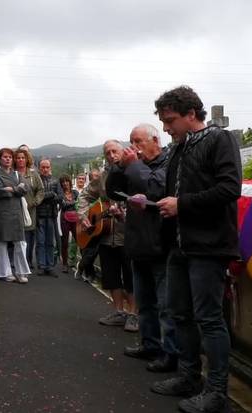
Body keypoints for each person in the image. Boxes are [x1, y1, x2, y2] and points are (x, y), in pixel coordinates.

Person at [149, 87, 241, 413]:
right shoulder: (178, 149)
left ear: (191, 114)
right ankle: (189, 377)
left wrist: (181, 205)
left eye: (170, 120)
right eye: (162, 121)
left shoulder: (220, 139)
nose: (165, 128)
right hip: (179, 245)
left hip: (208, 246)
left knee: (209, 319)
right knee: (180, 314)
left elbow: (230, 188)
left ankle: (217, 393)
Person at [107, 124, 179, 374]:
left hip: (160, 244)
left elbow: (154, 188)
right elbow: (111, 191)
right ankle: (149, 344)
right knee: (145, 302)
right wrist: (119, 166)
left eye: (139, 141)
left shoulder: (167, 162)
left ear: (155, 140)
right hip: (138, 243)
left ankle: (171, 354)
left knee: (166, 305)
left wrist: (133, 166)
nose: (134, 147)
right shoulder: (134, 166)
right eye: (131, 141)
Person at [80, 140, 137, 332]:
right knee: (111, 276)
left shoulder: (134, 172)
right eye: (107, 153)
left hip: (127, 234)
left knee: (130, 276)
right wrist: (84, 216)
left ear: (122, 152)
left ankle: (133, 315)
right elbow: (84, 196)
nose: (111, 155)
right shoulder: (103, 177)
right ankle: (118, 312)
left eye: (114, 151)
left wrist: (125, 214)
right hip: (105, 235)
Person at [0, 148, 31, 283]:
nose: (8, 159)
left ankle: (21, 272)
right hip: (1, 213)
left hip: (16, 212)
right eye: (5, 157)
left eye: (10, 157)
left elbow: (26, 188)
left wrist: (11, 189)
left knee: (20, 242)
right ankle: (4, 272)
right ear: (0, 159)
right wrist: (16, 189)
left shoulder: (17, 174)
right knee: (2, 243)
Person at [14, 148, 43, 267]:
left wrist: (35, 202)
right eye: (18, 158)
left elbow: (40, 190)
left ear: (26, 160)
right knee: (16, 237)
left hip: (30, 210)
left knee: (29, 237)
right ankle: (17, 262)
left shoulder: (33, 174)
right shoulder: (12, 173)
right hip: (14, 210)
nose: (20, 160)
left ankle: (28, 261)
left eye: (23, 158)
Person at [35, 159, 61, 276]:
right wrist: (51, 195)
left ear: (50, 168)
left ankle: (49, 266)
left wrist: (44, 197)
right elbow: (36, 198)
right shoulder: (36, 180)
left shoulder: (56, 181)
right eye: (43, 167)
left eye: (47, 167)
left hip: (51, 215)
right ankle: (41, 265)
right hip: (39, 214)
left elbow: (60, 197)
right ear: (39, 168)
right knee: (40, 242)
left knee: (50, 242)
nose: (45, 169)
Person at [58, 175, 79, 273]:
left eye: (67, 181)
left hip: (75, 218)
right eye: (63, 181)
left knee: (80, 240)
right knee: (65, 242)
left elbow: (79, 203)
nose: (65, 183)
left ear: (70, 182)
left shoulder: (75, 192)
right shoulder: (60, 194)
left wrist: (72, 202)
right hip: (64, 219)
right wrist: (74, 202)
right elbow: (63, 205)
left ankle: (83, 264)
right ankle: (65, 264)